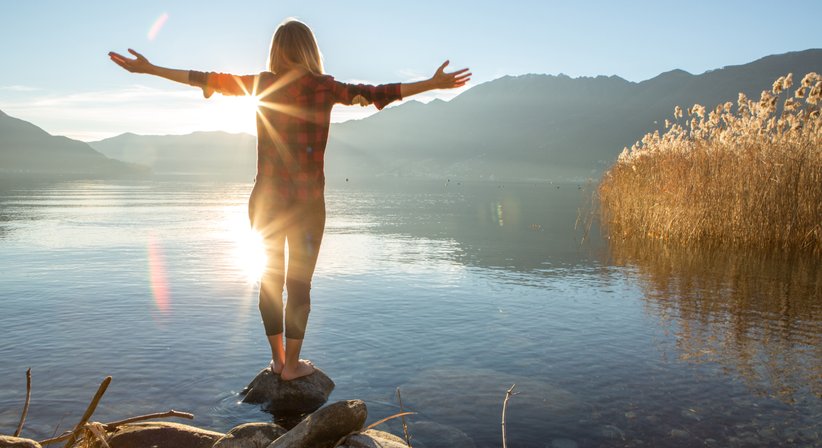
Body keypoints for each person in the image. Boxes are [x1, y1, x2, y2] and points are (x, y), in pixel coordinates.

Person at [109, 18, 470, 380]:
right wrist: (433, 84)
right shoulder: (325, 88)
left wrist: (150, 69)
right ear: (311, 50)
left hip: (265, 199)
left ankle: (278, 360)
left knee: (269, 279)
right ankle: (293, 366)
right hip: (308, 203)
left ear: (276, 50)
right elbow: (379, 93)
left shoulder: (262, 84)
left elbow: (203, 78)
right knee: (299, 285)